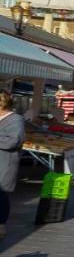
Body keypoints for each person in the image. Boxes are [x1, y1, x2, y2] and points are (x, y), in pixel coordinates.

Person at [0, 91, 25, 244]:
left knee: (1, 196)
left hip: (4, 166)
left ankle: (0, 226)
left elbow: (13, 141)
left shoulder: (15, 120)